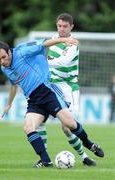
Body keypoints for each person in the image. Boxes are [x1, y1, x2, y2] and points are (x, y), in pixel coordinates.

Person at [0, 37, 102, 168]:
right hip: (33, 100)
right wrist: (8, 104)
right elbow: (14, 85)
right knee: (28, 128)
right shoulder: (4, 69)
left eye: (4, 57)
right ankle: (46, 161)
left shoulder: (22, 53)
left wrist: (64, 40)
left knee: (70, 124)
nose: (3, 61)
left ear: (9, 52)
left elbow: (43, 44)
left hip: (47, 92)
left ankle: (88, 143)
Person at [37, 13, 104, 167]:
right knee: (38, 119)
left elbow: (63, 61)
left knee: (67, 127)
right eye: (59, 26)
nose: (61, 29)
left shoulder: (72, 43)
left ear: (71, 27)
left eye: (65, 26)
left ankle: (85, 154)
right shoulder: (52, 40)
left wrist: (44, 62)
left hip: (69, 88)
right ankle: (44, 159)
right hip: (52, 86)